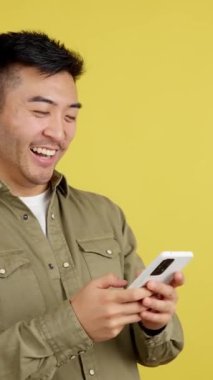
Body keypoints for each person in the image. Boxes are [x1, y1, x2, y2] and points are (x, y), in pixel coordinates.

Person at [0, 31, 184, 380]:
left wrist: (154, 323)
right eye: (41, 111)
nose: (59, 133)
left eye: (70, 117)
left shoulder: (105, 214)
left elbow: (157, 354)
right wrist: (71, 325)